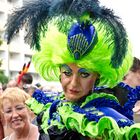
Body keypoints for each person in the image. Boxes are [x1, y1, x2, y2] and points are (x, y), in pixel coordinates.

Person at [5, 0, 140, 139]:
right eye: (67, 73)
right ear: (59, 73)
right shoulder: (50, 107)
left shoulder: (105, 121)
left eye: (84, 74)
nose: (74, 83)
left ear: (97, 77)